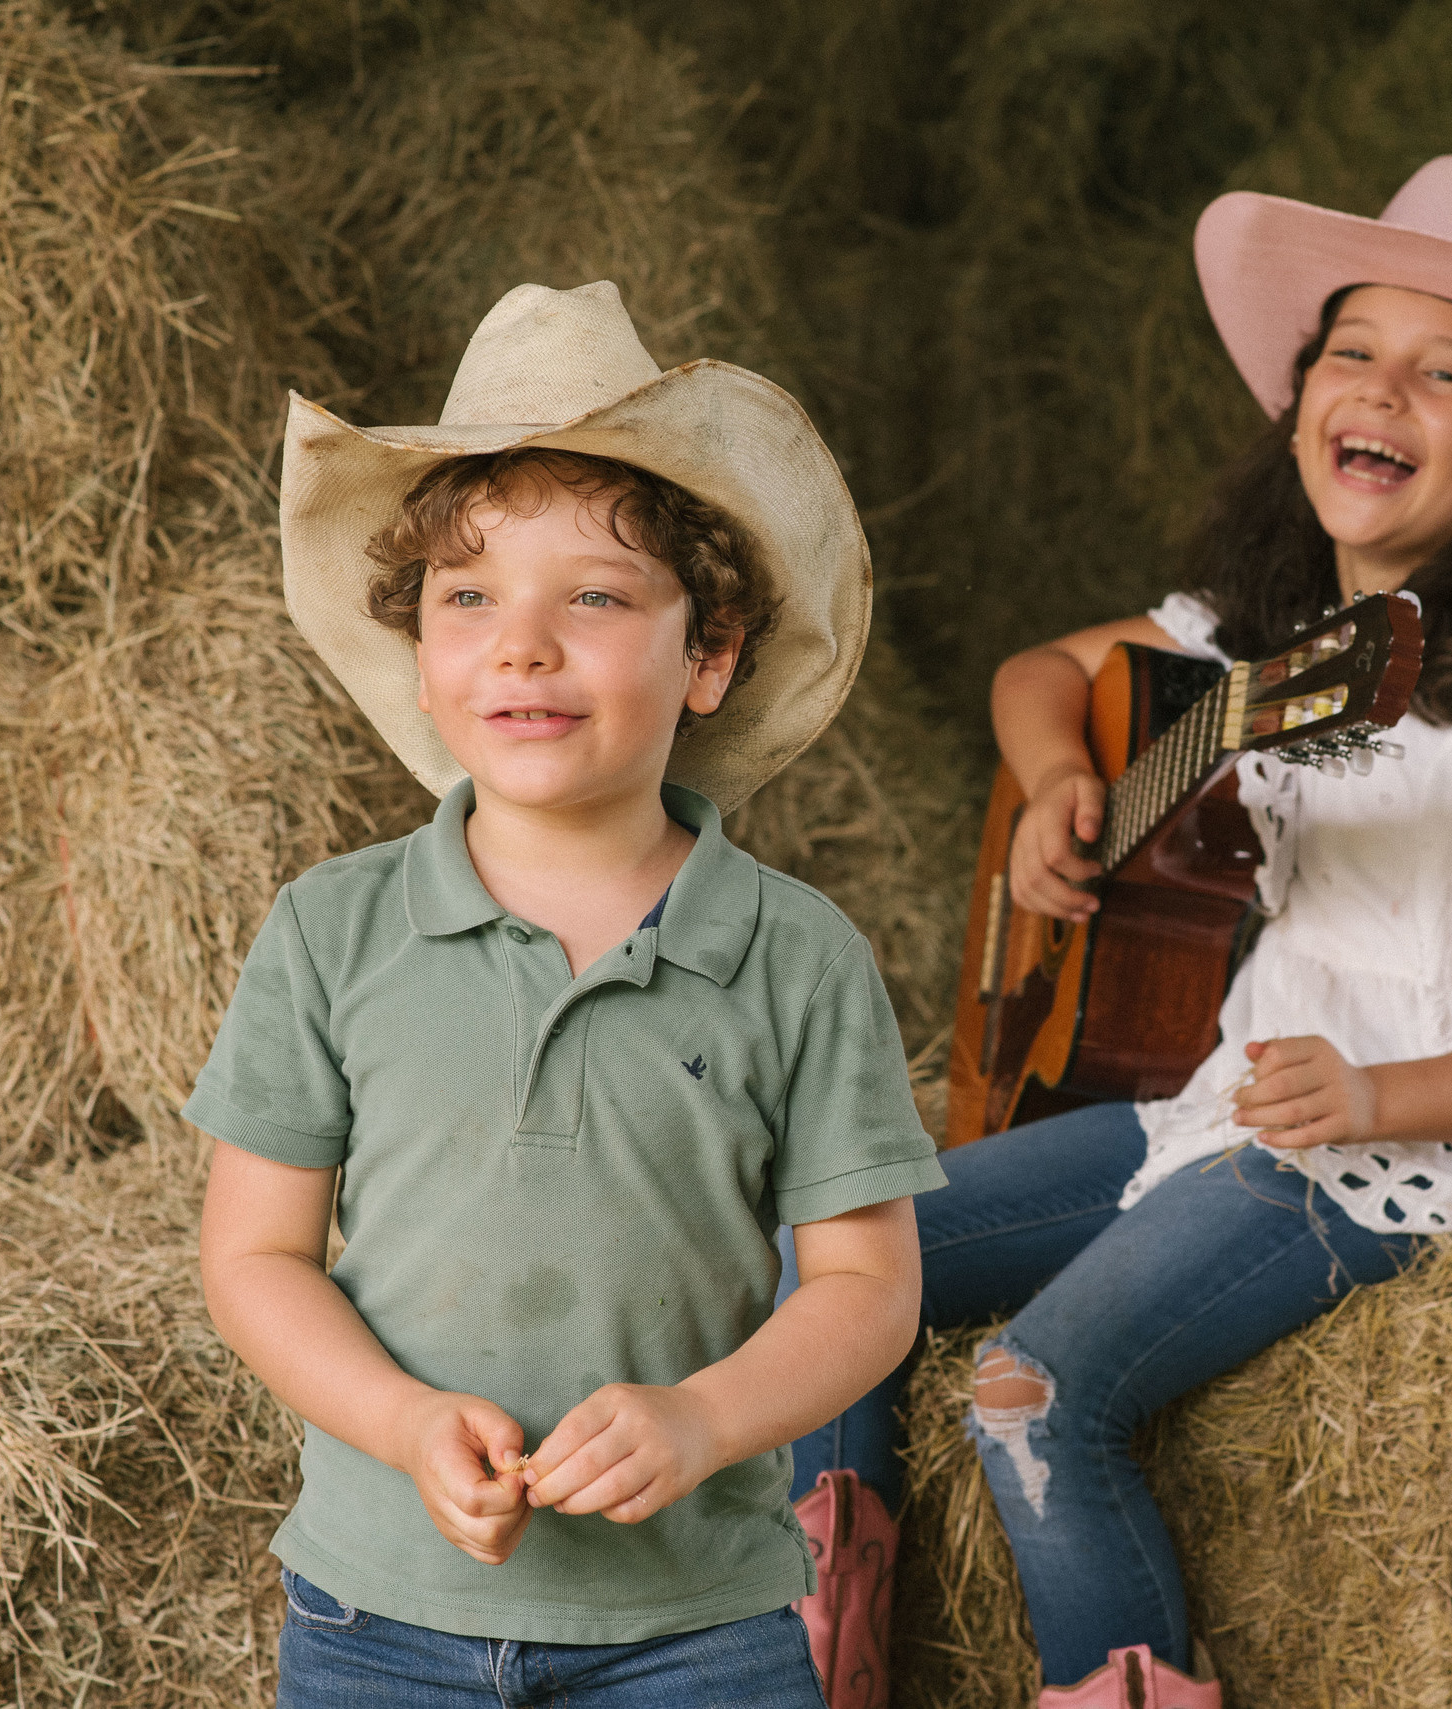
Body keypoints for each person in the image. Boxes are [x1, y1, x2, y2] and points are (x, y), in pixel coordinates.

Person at [784, 156, 1452, 1708]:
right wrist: (1061, 780)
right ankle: (824, 1658)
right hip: (1232, 1100)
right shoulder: (1258, 651)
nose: (1383, 389)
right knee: (834, 1251)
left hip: (1410, 1140)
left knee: (1029, 1393)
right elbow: (1035, 670)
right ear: (1300, 408)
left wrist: (1367, 1098)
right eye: (1353, 353)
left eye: (1446, 372)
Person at [189, 282, 946, 1709]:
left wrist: (705, 1414)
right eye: (468, 597)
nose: (522, 643)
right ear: (422, 658)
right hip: (378, 1617)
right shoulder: (331, 930)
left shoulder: (797, 954)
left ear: (709, 654)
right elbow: (256, 1258)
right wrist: (405, 1423)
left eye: (594, 597)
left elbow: (866, 1285)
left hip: (697, 1635)